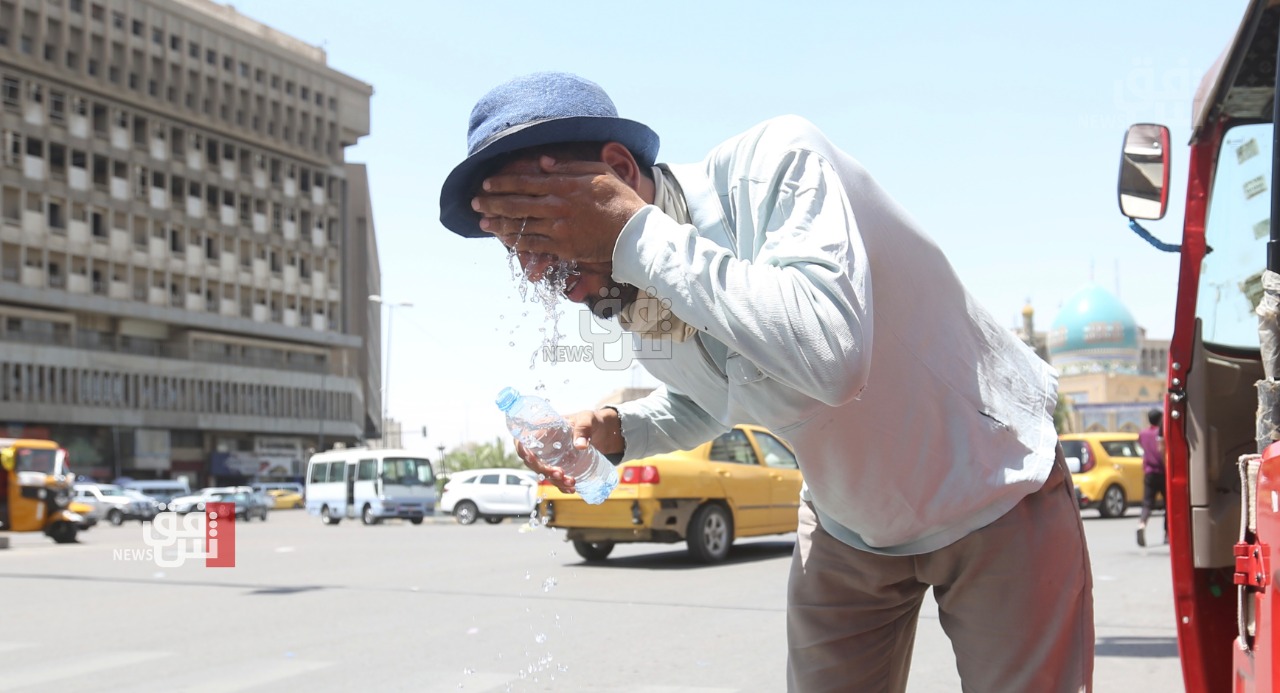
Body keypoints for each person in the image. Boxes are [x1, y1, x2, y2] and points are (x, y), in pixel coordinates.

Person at [440, 72, 1094, 693]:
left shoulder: (774, 168)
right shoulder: (639, 293)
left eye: (545, 231)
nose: (536, 273)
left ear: (617, 173)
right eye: (517, 248)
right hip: (848, 525)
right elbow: (720, 395)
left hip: (990, 490)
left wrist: (634, 234)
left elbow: (830, 359)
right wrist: (615, 432)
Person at [1136, 408, 1166, 547]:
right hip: (1163, 471)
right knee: (1168, 504)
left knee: (1147, 503)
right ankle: (1167, 533)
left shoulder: (1142, 434)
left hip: (1149, 472)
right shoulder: (1161, 433)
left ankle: (1142, 524)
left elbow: (1141, 446)